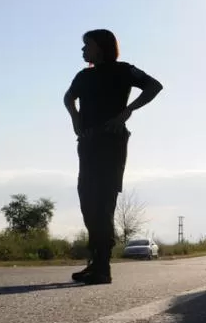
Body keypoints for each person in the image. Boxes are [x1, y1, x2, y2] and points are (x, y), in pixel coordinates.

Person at [63, 29, 163, 285]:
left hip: (111, 143)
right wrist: (75, 117)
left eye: (88, 45)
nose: (83, 50)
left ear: (101, 47)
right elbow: (68, 97)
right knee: (87, 200)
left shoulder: (123, 71)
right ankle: (95, 261)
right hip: (87, 143)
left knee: (103, 202)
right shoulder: (84, 76)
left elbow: (154, 86)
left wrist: (127, 111)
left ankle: (103, 267)